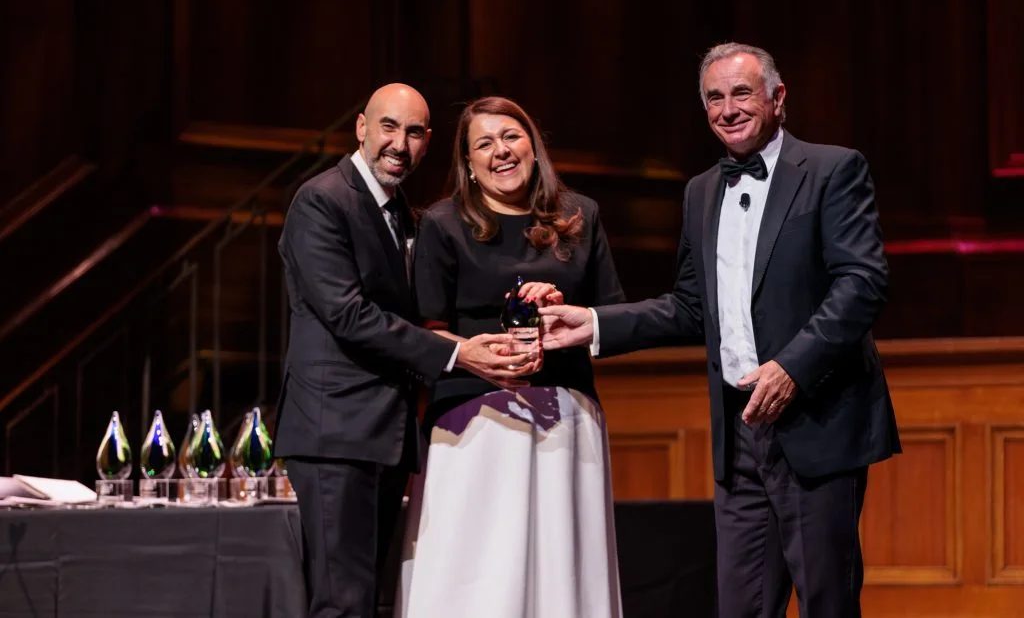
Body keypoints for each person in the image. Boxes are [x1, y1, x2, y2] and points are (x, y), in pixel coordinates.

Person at [540, 43, 902, 617]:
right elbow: (689, 307)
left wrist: (792, 368)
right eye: (714, 97)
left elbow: (861, 283)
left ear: (777, 98)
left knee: (827, 602)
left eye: (741, 93)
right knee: (741, 606)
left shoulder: (833, 169)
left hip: (815, 421)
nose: (728, 108)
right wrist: (593, 322)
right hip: (739, 434)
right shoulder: (700, 191)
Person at [275, 83, 536, 618]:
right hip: (336, 433)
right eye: (389, 127)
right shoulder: (322, 200)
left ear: (428, 141)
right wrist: (459, 354)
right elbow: (348, 315)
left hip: (386, 434)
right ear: (361, 128)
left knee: (370, 599)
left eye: (414, 132)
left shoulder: (404, 215)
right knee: (342, 600)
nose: (400, 143)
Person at [394, 96, 626, 618]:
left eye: (511, 136)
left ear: (533, 146)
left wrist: (567, 309)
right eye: (484, 143)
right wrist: (474, 354)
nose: (501, 151)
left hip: (566, 418)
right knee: (478, 568)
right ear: (469, 164)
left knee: (563, 567)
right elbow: (426, 328)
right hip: (474, 420)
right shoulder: (441, 224)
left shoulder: (579, 215)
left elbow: (611, 315)